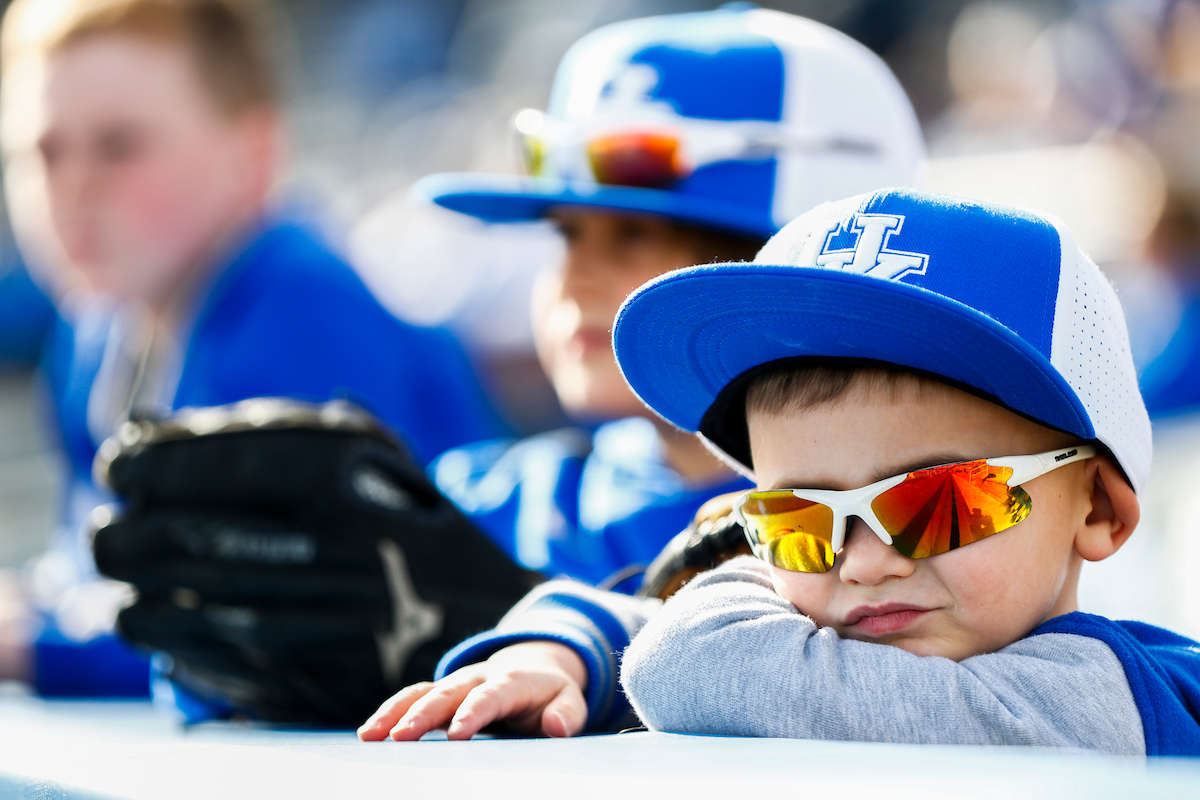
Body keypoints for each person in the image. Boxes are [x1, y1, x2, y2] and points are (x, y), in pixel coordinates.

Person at [360, 188, 1200, 757]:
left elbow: (685, 662)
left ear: (1097, 507)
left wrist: (633, 637)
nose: (866, 562)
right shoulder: (846, 646)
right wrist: (571, 648)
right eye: (799, 522)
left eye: (938, 501)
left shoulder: (1122, 701)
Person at [0, 0, 503, 696]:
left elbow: (302, 619)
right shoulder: (95, 329)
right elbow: (95, 578)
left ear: (254, 157)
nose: (72, 189)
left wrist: (40, 648)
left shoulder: (303, 315)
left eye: (119, 146)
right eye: (41, 152)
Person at [414, 3, 925, 590]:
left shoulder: (890, 535)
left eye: (634, 236)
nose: (574, 278)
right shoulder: (486, 503)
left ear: (790, 272)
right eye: (566, 233)